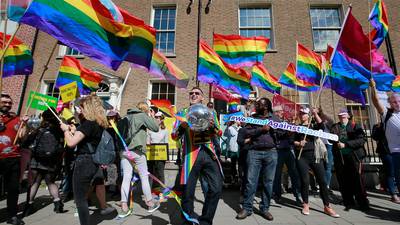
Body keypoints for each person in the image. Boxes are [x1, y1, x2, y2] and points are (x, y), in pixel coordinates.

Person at [172, 87, 223, 225]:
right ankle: (188, 220)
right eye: (191, 93)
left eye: (197, 93)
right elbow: (174, 136)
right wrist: (182, 126)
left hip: (208, 154)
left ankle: (206, 220)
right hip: (190, 156)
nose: (193, 95)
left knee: (216, 188)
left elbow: (219, 133)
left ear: (202, 98)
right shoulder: (182, 113)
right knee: (188, 192)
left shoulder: (211, 112)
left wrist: (212, 127)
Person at [60, 95, 111, 225]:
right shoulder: (97, 123)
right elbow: (84, 139)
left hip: (84, 161)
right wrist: (74, 130)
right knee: (84, 194)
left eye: (81, 107)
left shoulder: (88, 123)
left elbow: (71, 143)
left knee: (80, 198)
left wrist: (65, 130)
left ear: (87, 108)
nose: (79, 110)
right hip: (93, 161)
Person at [293, 107, 339, 218]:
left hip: (315, 157)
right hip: (302, 157)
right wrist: (299, 143)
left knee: (322, 181)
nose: (302, 115)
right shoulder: (296, 127)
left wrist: (315, 114)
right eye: (301, 113)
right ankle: (306, 204)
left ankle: (327, 206)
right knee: (305, 181)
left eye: (304, 114)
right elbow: (291, 141)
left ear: (308, 115)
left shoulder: (313, 126)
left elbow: (322, 126)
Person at [236, 97, 277, 221]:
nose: (256, 105)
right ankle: (247, 208)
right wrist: (261, 130)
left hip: (271, 153)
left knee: (268, 183)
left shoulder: (275, 119)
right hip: (254, 153)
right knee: (250, 181)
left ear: (266, 106)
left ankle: (265, 208)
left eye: (259, 104)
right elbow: (246, 132)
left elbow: (282, 134)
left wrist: (285, 131)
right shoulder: (253, 118)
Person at [118, 102, 160, 216]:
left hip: (125, 151)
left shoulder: (125, 116)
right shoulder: (142, 116)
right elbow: (156, 128)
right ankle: (150, 203)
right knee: (144, 177)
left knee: (126, 177)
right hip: (137, 151)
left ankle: (124, 206)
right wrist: (150, 117)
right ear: (146, 110)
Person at [23, 108, 65, 215]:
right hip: (52, 161)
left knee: (35, 182)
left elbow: (27, 142)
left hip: (37, 160)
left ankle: (29, 206)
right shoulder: (59, 130)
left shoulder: (39, 129)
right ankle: (58, 203)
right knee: (50, 182)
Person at [330, 109, 369, 211]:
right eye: (340, 115)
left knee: (357, 180)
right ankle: (348, 202)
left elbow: (361, 140)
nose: (342, 117)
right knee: (343, 180)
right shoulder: (335, 126)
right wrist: (332, 137)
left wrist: (346, 144)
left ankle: (363, 203)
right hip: (340, 158)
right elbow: (330, 138)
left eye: (344, 115)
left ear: (348, 116)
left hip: (354, 157)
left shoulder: (355, 126)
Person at [0, 93, 28, 225]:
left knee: (13, 188)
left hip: (13, 158)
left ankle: (12, 216)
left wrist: (25, 125)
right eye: (4, 102)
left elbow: (23, 137)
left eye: (9, 103)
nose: (7, 104)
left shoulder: (16, 119)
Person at [370, 80, 400, 203]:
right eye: (394, 102)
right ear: (390, 103)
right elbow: (376, 102)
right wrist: (373, 88)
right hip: (396, 153)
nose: (397, 103)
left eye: (399, 101)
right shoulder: (387, 114)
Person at [271, 105, 302, 206]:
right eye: (280, 111)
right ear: (275, 113)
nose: (282, 113)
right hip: (278, 150)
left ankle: (298, 195)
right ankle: (277, 195)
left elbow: (291, 137)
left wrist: (292, 130)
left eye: (281, 111)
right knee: (277, 174)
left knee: (294, 172)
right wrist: (288, 132)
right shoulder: (273, 122)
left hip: (289, 149)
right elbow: (278, 135)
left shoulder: (285, 122)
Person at [147, 111, 169, 187]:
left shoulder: (165, 130)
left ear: (162, 119)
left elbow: (166, 143)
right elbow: (148, 141)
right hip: (151, 154)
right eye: (156, 117)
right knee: (150, 172)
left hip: (161, 155)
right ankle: (150, 190)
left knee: (160, 173)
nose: (157, 119)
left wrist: (167, 156)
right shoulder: (150, 129)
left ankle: (161, 190)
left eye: (159, 117)